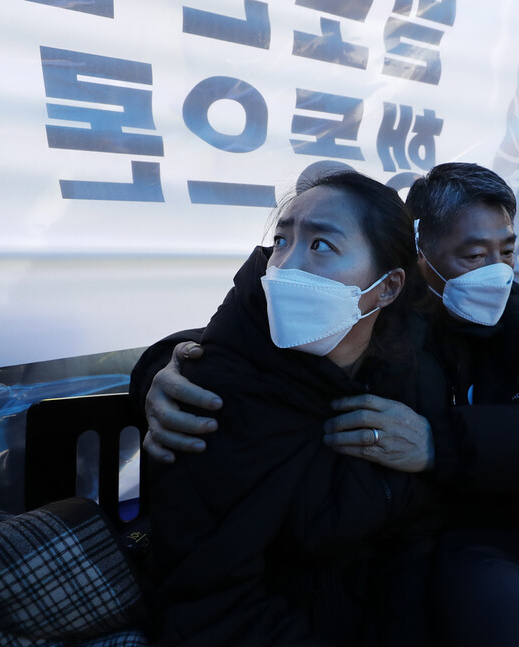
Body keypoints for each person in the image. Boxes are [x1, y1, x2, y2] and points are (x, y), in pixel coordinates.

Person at [136, 163, 519, 645]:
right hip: (458, 543)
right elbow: (260, 334)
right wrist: (160, 370)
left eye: (506, 250)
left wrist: (443, 442)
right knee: (506, 609)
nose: (495, 271)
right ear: (417, 258)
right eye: (472, 254)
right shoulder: (388, 321)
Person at [149, 171, 448, 646]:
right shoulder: (212, 397)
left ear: (388, 288)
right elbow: (209, 602)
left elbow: (414, 539)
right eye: (282, 240)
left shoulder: (410, 372)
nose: (285, 265)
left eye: (321, 246)